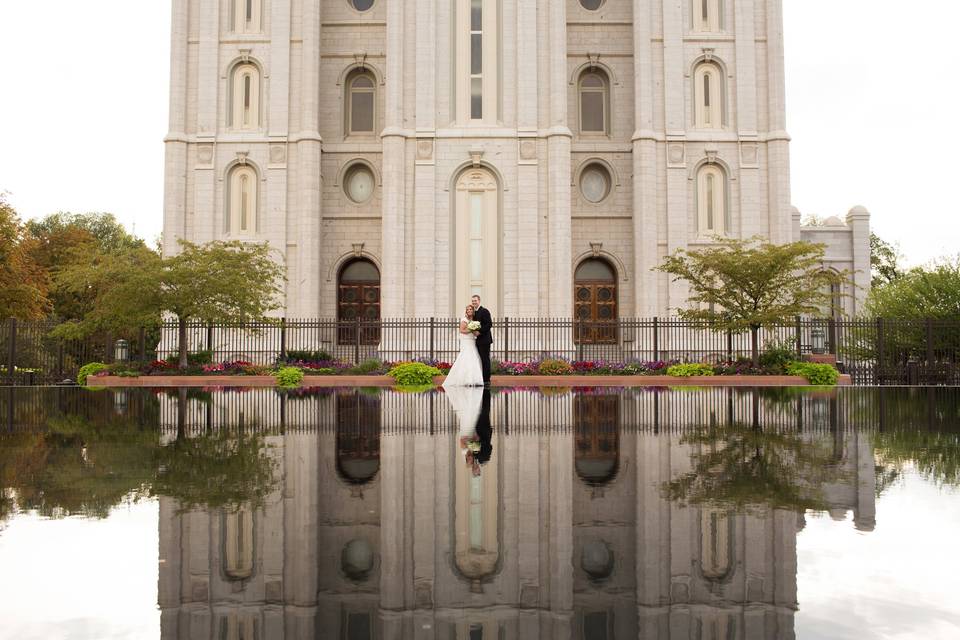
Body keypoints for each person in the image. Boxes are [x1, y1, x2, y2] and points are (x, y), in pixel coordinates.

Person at [442, 304, 484, 387]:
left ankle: (474, 379)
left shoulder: (474, 320)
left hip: (472, 341)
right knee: (465, 357)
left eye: (470, 309)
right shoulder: (464, 319)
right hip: (466, 341)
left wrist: (476, 331)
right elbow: (462, 330)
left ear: (473, 311)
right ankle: (464, 379)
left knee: (473, 358)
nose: (469, 311)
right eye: (467, 309)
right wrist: (471, 329)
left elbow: (475, 332)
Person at [471, 294, 493, 386]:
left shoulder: (484, 311)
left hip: (485, 340)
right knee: (479, 360)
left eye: (475, 301)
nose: (474, 302)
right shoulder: (474, 313)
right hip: (477, 340)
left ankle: (487, 379)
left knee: (485, 360)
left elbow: (489, 324)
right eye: (472, 301)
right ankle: (481, 378)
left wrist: (479, 332)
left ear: (479, 301)